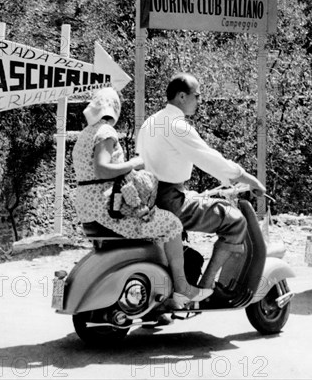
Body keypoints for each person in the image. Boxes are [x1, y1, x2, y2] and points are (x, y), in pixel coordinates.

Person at [72, 87, 213, 307]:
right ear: (114, 108)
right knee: (172, 225)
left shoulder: (85, 134)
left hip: (89, 208)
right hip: (108, 208)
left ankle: (159, 302)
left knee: (155, 235)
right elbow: (102, 169)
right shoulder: (106, 132)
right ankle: (183, 288)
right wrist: (134, 164)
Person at [136, 72, 266, 290]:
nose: (199, 101)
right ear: (181, 97)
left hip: (149, 197)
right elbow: (210, 159)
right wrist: (249, 179)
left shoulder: (152, 122)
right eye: (197, 96)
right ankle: (207, 286)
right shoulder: (177, 126)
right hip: (170, 200)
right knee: (234, 220)